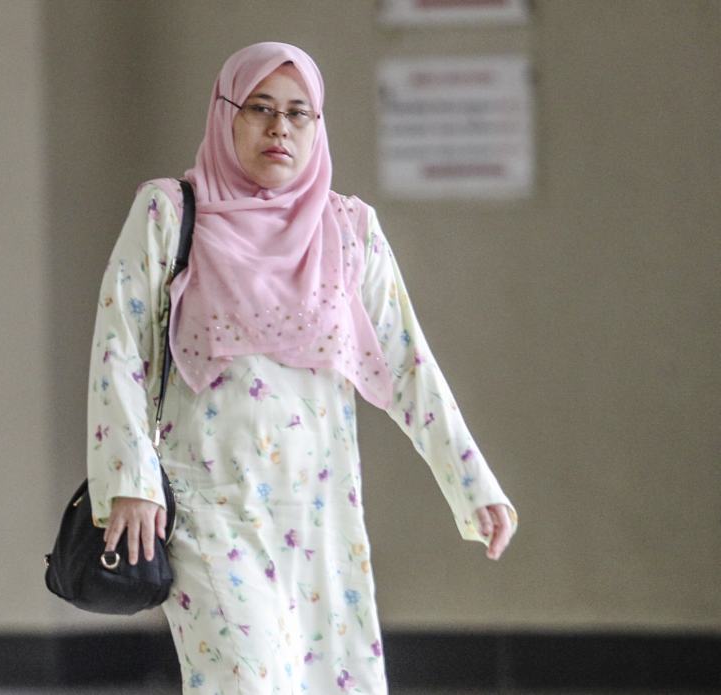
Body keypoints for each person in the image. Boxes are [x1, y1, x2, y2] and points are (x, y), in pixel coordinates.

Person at [87, 41, 517, 695]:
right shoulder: (171, 214)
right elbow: (119, 349)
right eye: (259, 108)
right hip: (210, 508)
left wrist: (472, 482)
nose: (279, 128)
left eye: (298, 113)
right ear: (226, 114)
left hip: (320, 514)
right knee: (243, 682)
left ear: (317, 125)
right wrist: (131, 479)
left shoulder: (349, 230)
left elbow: (407, 362)